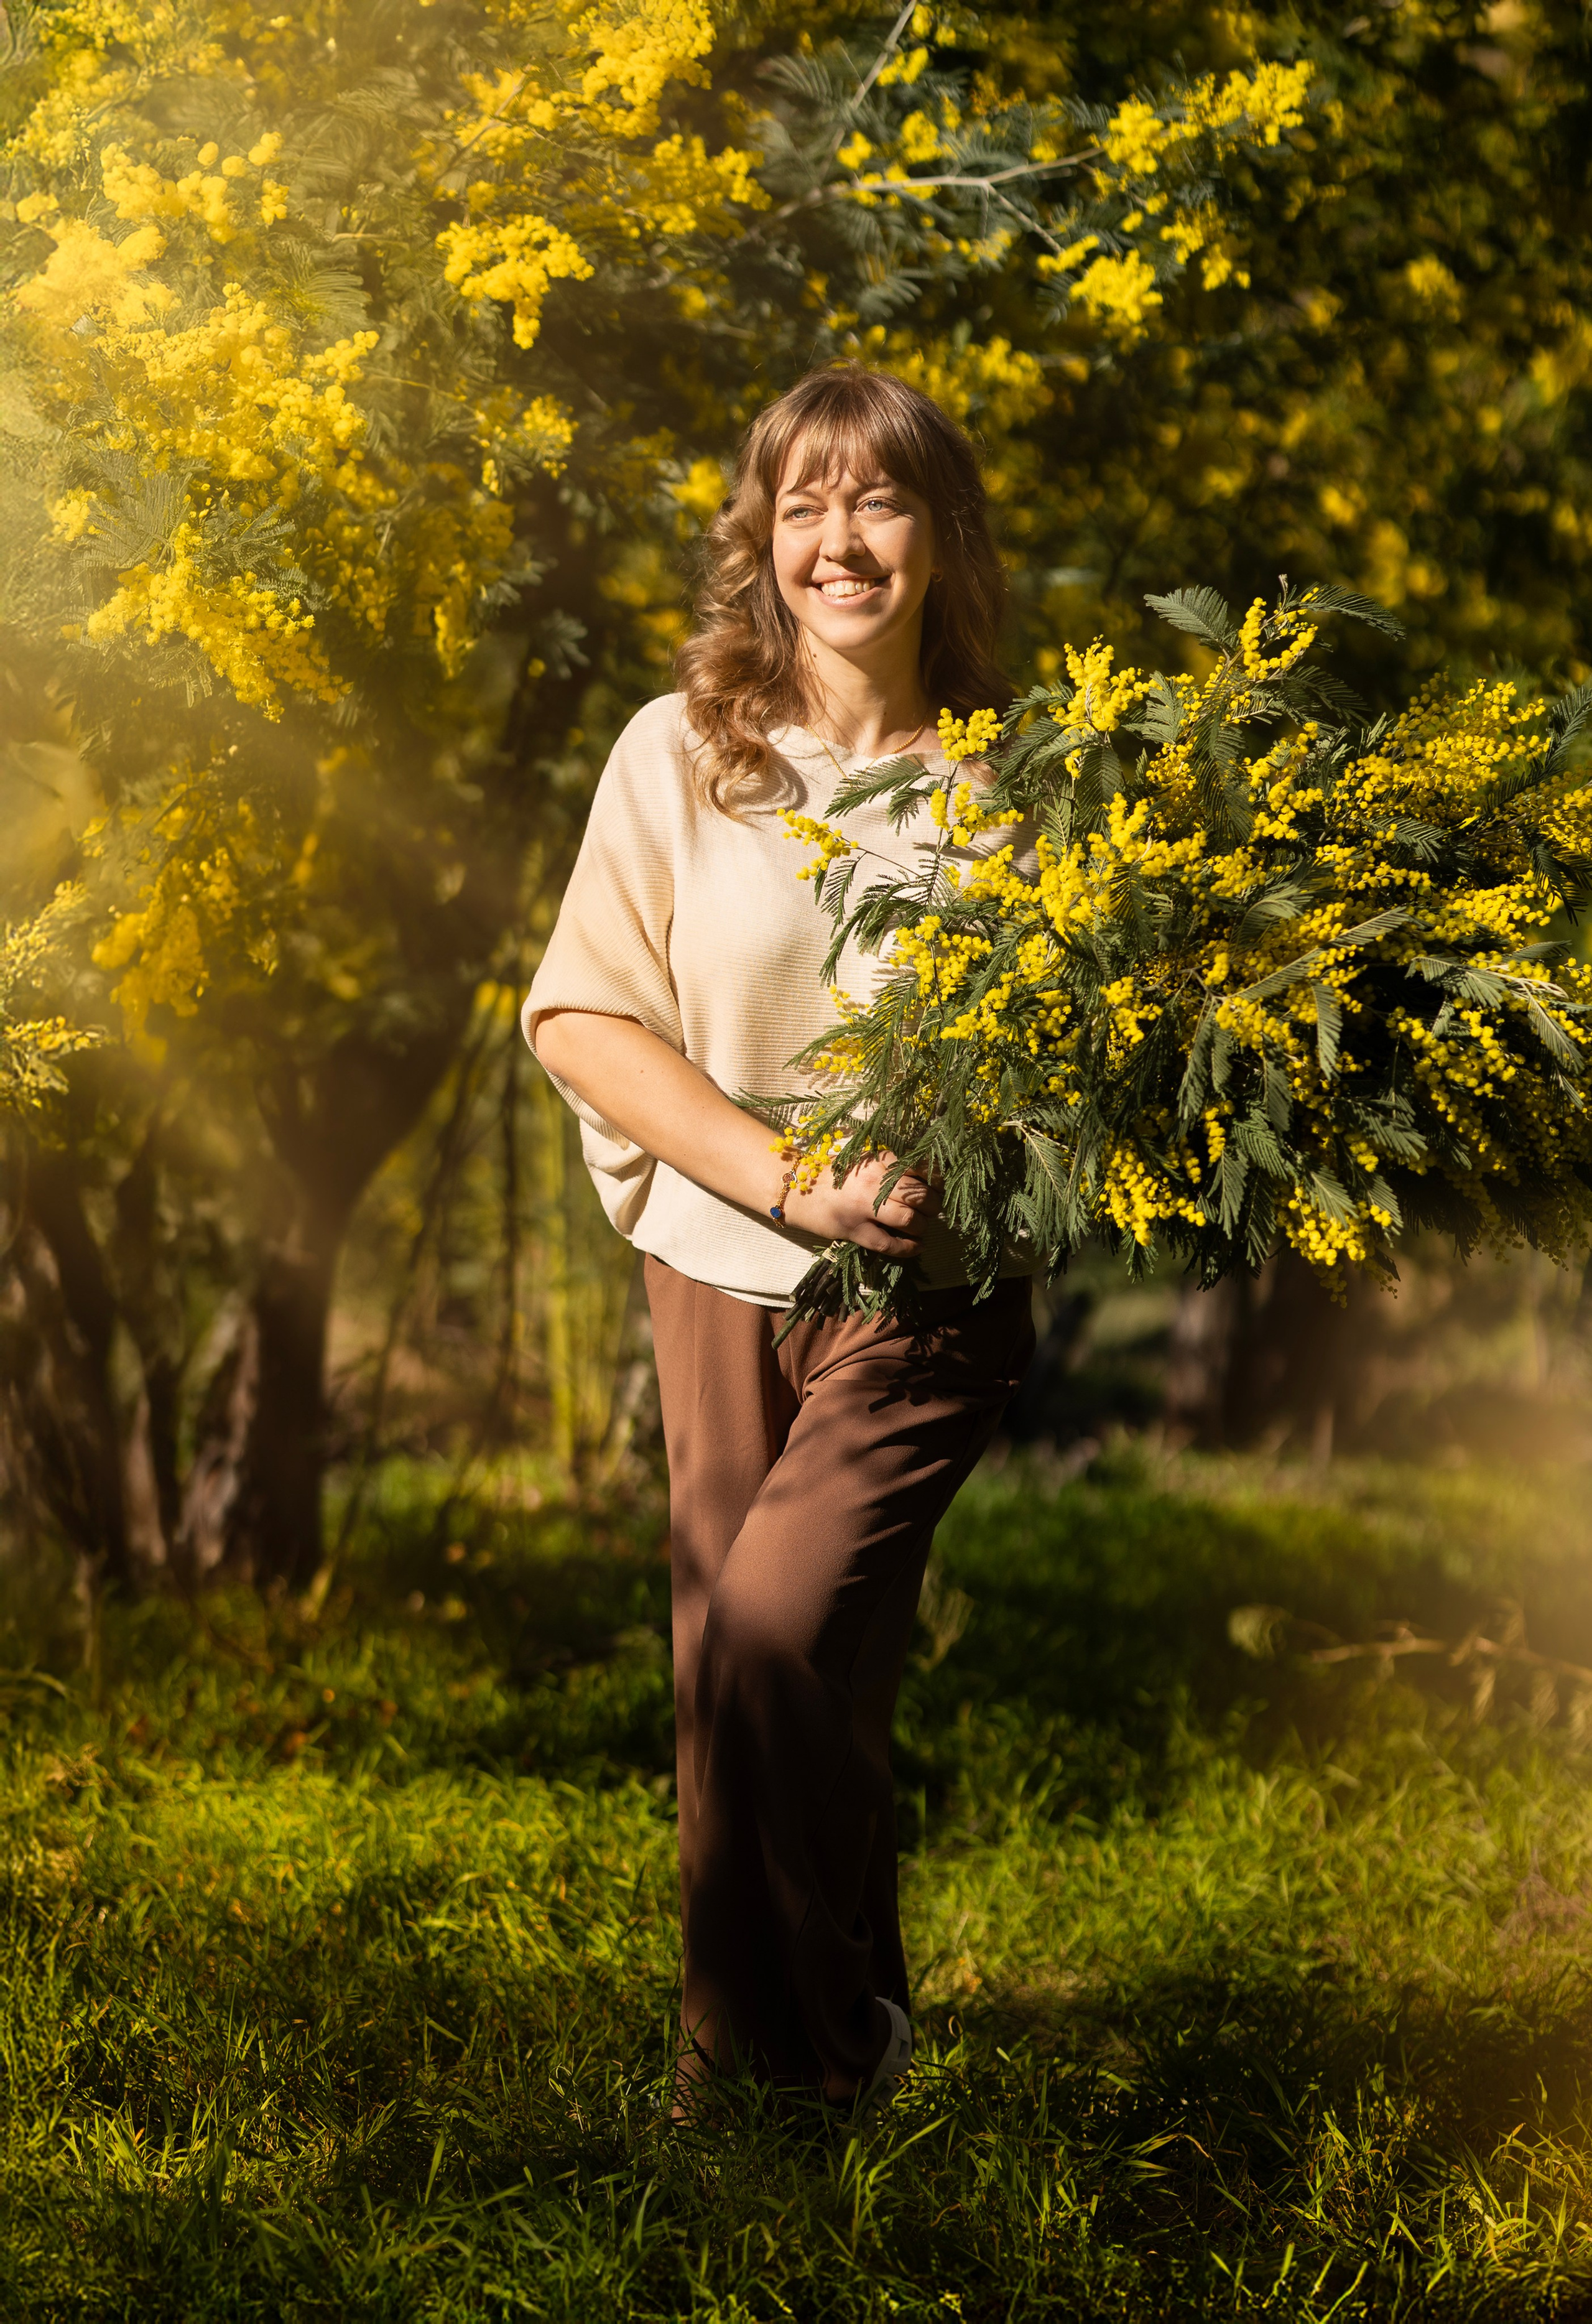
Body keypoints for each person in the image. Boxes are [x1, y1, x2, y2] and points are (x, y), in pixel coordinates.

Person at [524, 365, 1036, 2111]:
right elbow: (584, 1019)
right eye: (805, 505)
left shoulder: (1025, 790)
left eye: (879, 501)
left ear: (942, 536)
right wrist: (789, 1174)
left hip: (931, 1302)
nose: (842, 542)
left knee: (762, 1647)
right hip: (719, 1268)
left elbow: (1088, 1069)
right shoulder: (681, 755)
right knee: (777, 1679)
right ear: (763, 539)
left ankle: (749, 2090)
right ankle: (839, 2039)